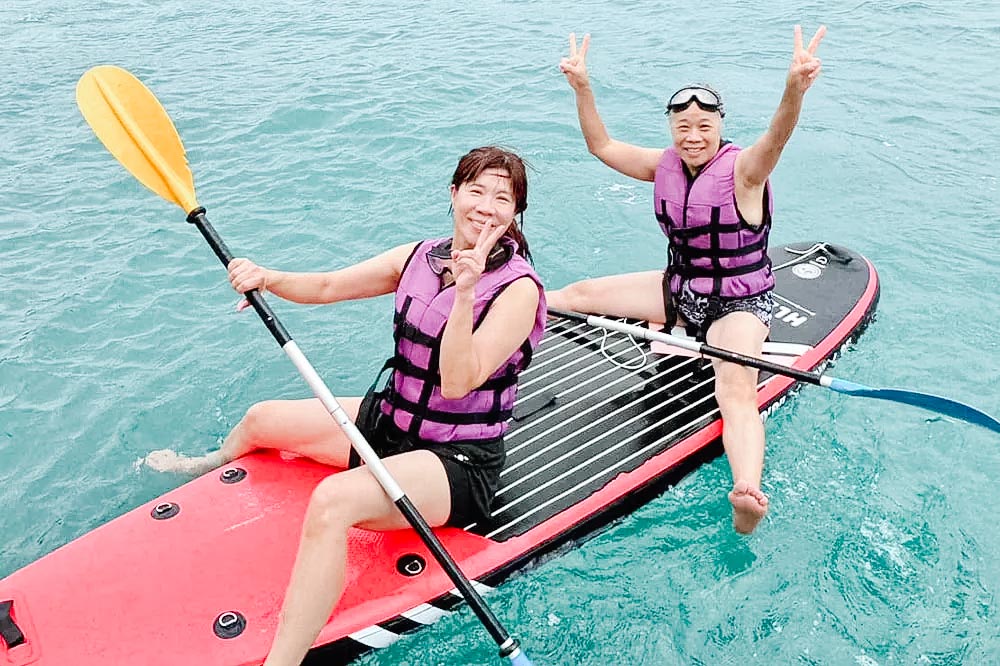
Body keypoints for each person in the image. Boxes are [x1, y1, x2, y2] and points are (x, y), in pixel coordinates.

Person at [146, 146, 546, 666]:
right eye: (477, 190)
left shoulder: (518, 291)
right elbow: (332, 285)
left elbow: (456, 382)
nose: (486, 207)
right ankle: (203, 467)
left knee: (332, 503)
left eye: (502, 198)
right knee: (261, 420)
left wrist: (467, 292)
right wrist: (268, 278)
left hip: (456, 461)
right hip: (393, 422)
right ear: (453, 194)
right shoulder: (418, 256)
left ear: (514, 213)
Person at [547, 26, 826, 534]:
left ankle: (746, 493)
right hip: (681, 290)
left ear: (719, 126)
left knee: (734, 387)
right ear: (672, 129)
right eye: (683, 126)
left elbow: (778, 135)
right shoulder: (665, 166)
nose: (692, 136)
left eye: (703, 125)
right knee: (578, 295)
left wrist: (794, 89)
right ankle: (495, 311)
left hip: (739, 305)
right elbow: (601, 145)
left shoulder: (745, 170)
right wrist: (583, 88)